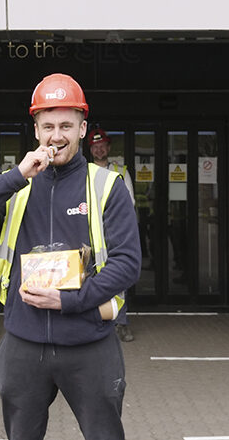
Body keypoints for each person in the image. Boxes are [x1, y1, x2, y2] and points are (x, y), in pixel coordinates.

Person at [0, 73, 141, 440]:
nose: (57, 136)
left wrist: (71, 300)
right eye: (49, 126)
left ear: (83, 128)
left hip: (90, 343)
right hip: (23, 344)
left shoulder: (106, 185)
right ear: (36, 129)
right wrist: (15, 176)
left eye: (67, 125)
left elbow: (127, 263)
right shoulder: (18, 184)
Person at [87, 128, 136, 342]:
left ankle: (121, 323)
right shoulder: (84, 172)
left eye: (102, 146)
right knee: (93, 277)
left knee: (119, 277)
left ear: (108, 148)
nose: (99, 149)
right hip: (92, 233)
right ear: (90, 150)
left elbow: (130, 203)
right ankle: (97, 322)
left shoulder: (121, 171)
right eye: (95, 147)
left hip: (114, 232)